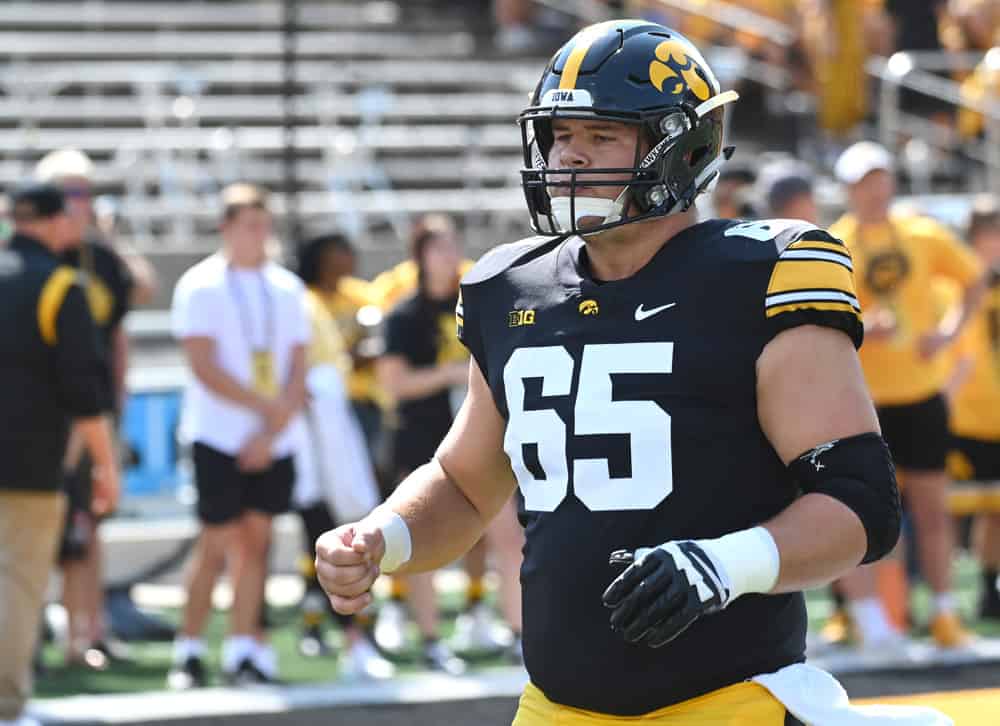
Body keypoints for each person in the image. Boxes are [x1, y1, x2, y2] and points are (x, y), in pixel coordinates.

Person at [317, 20, 945, 725]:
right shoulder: (507, 287)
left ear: (681, 148)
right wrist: (384, 535)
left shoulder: (760, 274)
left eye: (601, 136)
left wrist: (724, 566)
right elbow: (465, 485)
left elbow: (861, 503)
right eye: (560, 135)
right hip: (554, 707)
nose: (570, 157)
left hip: (730, 702)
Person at [830, 141, 991, 650]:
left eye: (880, 178)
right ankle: (872, 620)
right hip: (863, 400)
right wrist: (859, 327)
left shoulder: (922, 234)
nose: (874, 189)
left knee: (932, 509)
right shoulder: (833, 242)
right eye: (863, 181)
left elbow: (974, 280)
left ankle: (944, 615)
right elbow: (820, 318)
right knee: (862, 513)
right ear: (848, 188)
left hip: (920, 395)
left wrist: (948, 331)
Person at [168, 183, 309, 688]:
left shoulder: (286, 287)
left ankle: (243, 647)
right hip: (218, 436)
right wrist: (265, 411)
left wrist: (270, 431)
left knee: (258, 543)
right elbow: (203, 365)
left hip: (273, 438)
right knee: (215, 543)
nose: (258, 234)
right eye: (248, 224)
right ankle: (188, 647)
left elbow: (299, 367)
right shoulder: (200, 285)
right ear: (226, 227)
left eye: (263, 224)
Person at [0, 183, 119, 726]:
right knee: (19, 583)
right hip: (30, 461)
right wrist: (106, 465)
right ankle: (6, 703)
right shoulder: (60, 285)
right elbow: (83, 392)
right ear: (52, 222)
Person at [34, 147, 156, 669]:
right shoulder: (33, 255)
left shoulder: (97, 258)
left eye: (85, 192)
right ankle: (30, 628)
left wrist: (107, 236)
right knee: (34, 523)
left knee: (89, 522)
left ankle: (86, 635)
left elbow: (139, 297)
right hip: (40, 413)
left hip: (91, 409)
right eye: (70, 193)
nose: (79, 203)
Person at [291, 233, 394, 679]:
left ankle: (359, 623)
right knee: (321, 519)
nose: (347, 261)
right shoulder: (300, 299)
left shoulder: (357, 296)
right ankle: (325, 618)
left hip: (354, 413)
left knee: (355, 515)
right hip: (317, 418)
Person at [943, 196, 1000, 620]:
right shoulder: (954, 286)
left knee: (994, 508)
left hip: (994, 414)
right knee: (951, 507)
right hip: (963, 415)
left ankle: (987, 589)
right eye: (989, 233)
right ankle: (942, 600)